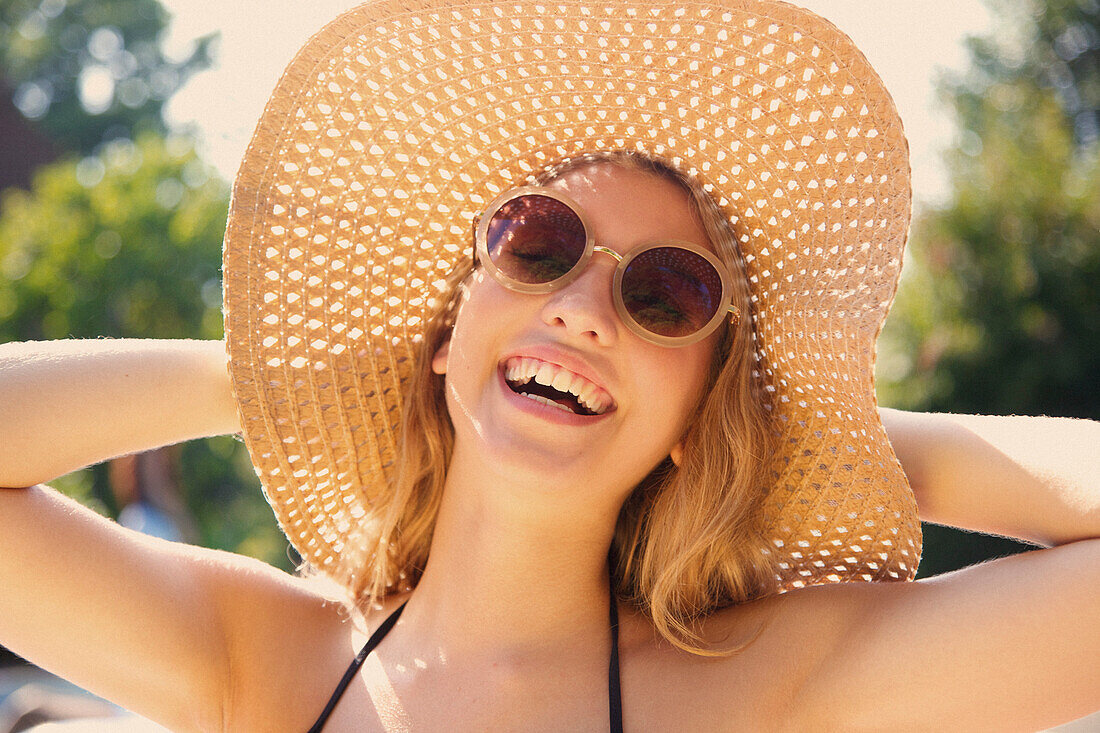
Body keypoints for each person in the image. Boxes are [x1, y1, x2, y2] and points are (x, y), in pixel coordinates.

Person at [1, 0, 1098, 730]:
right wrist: (281, 373)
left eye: (666, 295)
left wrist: (815, 437)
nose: (580, 309)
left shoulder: (770, 687)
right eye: (537, 244)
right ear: (444, 332)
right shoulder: (263, 659)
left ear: (694, 412)